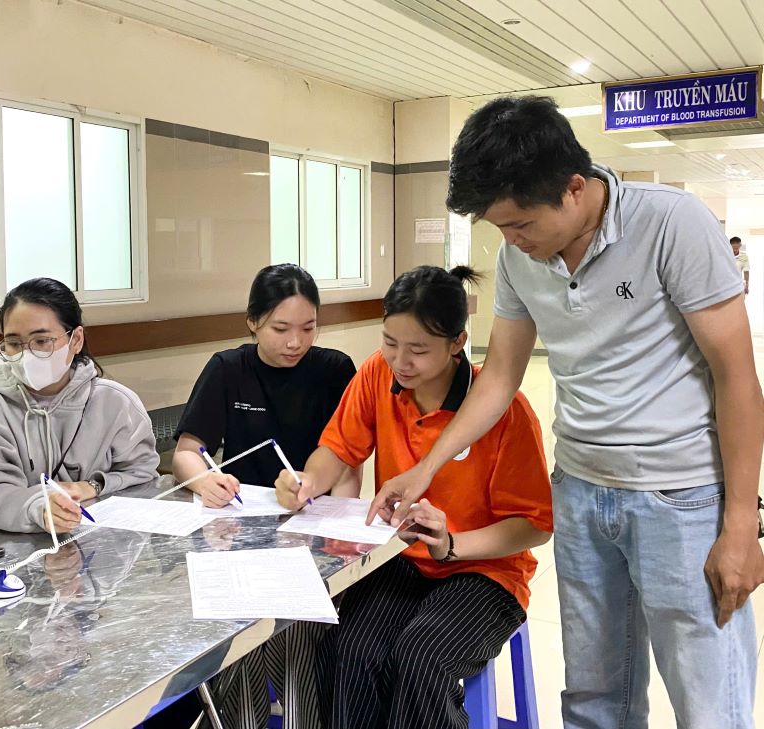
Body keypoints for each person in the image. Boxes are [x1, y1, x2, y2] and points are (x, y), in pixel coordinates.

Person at [372, 96, 764, 729]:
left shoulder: (673, 224)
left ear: (574, 188)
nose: (511, 242)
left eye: (521, 224)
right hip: (581, 493)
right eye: (500, 228)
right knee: (594, 699)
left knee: (708, 699)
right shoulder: (519, 259)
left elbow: (737, 377)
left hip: (681, 498)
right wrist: (427, 467)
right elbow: (499, 377)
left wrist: (741, 524)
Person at [277, 265, 552, 729]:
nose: (400, 362)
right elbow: (339, 449)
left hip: (485, 573)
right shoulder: (377, 375)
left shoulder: (506, 414)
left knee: (420, 657)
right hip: (400, 559)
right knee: (348, 649)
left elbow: (534, 526)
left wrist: (452, 544)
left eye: (419, 350)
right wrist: (306, 480)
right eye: (390, 342)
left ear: (458, 343)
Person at [172, 263, 357, 729]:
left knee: (291, 633)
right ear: (253, 321)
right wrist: (204, 481)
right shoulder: (228, 369)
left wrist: (337, 522)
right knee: (242, 634)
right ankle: (244, 718)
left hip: (311, 534)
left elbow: (349, 463)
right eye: (280, 328)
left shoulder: (334, 370)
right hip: (239, 534)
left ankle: (294, 719)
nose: (295, 342)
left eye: (308, 328)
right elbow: (188, 452)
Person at [0, 277, 159, 535]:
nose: (27, 355)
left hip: (99, 544)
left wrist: (93, 486)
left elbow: (144, 477)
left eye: (41, 341)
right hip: (11, 550)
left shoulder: (115, 403)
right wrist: (38, 508)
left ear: (76, 340)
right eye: (14, 344)